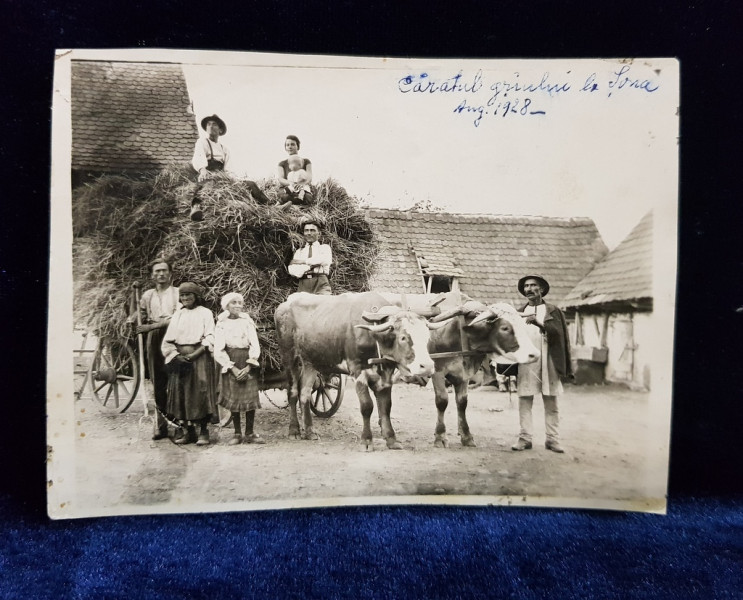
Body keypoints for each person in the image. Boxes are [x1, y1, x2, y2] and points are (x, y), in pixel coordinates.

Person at [511, 275, 573, 454]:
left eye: (533, 285)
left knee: (551, 399)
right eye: (526, 286)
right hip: (527, 361)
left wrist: (539, 324)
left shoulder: (553, 311)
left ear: (542, 289)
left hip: (549, 358)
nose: (529, 289)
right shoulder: (518, 313)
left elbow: (559, 336)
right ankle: (525, 438)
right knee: (524, 398)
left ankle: (552, 439)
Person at [161, 282, 217, 445]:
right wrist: (176, 355)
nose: (185, 298)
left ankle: (204, 432)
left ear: (196, 296)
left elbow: (210, 336)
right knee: (182, 393)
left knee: (200, 391)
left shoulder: (205, 313)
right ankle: (189, 432)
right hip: (180, 358)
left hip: (199, 356)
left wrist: (194, 354)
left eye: (189, 295)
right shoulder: (178, 314)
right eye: (182, 295)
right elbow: (168, 340)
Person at [190, 114, 271, 221]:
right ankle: (196, 208)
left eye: (214, 124)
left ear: (220, 130)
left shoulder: (224, 149)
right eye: (208, 124)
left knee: (251, 184)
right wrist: (202, 169)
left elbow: (228, 169)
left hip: (222, 176)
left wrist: (232, 181)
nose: (210, 126)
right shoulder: (202, 142)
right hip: (207, 173)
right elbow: (198, 156)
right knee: (205, 184)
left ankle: (271, 207)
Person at [213, 293, 266, 445]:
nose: (237, 305)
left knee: (249, 397)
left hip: (247, 359)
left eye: (239, 303)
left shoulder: (246, 321)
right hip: (231, 360)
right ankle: (237, 433)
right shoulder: (222, 323)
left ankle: (249, 432)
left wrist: (249, 365)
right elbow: (219, 349)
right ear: (227, 306)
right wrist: (233, 368)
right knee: (234, 397)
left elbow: (254, 344)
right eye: (233, 303)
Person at [136, 259, 180, 440]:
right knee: (158, 382)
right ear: (152, 275)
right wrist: (134, 317)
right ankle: (161, 425)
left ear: (170, 273)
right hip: (153, 339)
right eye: (157, 271)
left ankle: (178, 424)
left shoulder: (178, 293)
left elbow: (178, 317)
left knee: (176, 381)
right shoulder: (147, 295)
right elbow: (142, 316)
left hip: (174, 336)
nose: (161, 274)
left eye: (164, 270)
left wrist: (150, 327)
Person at [287, 219, 332, 294]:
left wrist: (302, 262)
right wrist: (310, 266)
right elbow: (292, 270)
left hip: (320, 282)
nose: (309, 233)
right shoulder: (299, 251)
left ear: (319, 233)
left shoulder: (324, 248)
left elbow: (324, 260)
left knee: (323, 304)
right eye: (306, 230)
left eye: (312, 230)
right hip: (303, 284)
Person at [277, 135, 314, 208]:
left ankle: (294, 207)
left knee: (307, 196)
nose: (290, 147)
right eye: (287, 145)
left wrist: (301, 184)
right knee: (283, 195)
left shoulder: (306, 161)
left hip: (302, 188)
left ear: (298, 146)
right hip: (288, 188)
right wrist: (291, 183)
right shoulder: (282, 163)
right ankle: (286, 206)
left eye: (292, 144)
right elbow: (281, 179)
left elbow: (309, 177)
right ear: (285, 148)